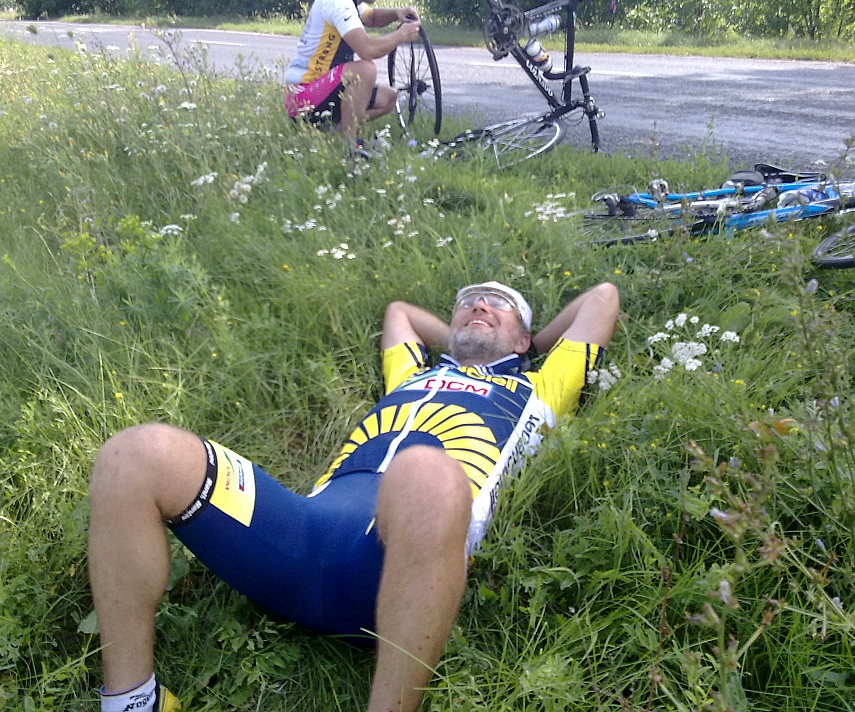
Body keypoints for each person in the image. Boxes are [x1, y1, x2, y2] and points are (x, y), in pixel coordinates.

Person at [88, 280, 621, 712]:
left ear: (525, 340)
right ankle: (133, 701)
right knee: (134, 454)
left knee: (425, 471)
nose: (480, 304)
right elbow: (400, 313)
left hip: (394, 570)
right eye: (469, 301)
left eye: (499, 303)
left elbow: (603, 297)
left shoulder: (542, 388)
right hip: (298, 538)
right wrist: (473, 329)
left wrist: (528, 341)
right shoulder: (413, 374)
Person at [284, 0, 421, 150]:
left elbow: (372, 17)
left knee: (388, 98)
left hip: (321, 90)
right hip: (302, 96)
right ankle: (349, 147)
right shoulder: (338, 1)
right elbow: (367, 50)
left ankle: (330, 131)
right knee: (365, 70)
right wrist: (401, 35)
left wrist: (396, 13)